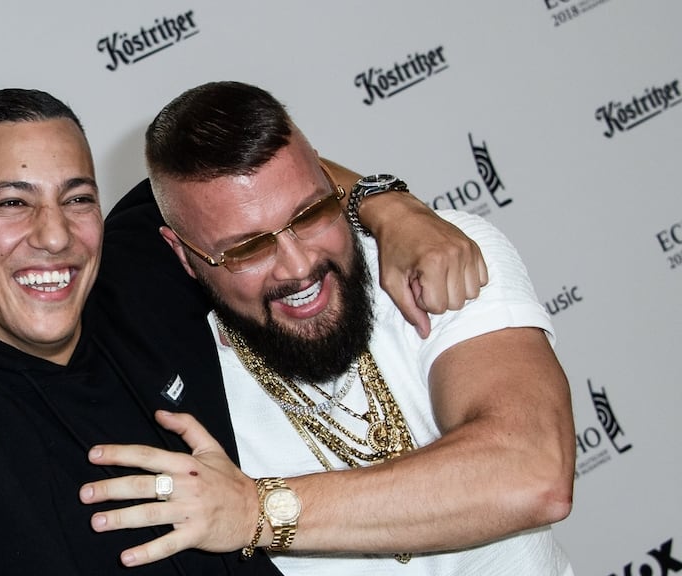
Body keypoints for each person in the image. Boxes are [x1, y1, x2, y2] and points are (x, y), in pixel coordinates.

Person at [0, 1, 488, 574]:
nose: (55, 235)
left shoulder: (135, 276)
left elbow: (256, 189)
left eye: (77, 199)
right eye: (11, 204)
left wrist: (388, 206)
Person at [79, 81, 576, 575]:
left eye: (311, 214)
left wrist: (255, 511)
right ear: (184, 256)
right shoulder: (188, 387)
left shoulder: (438, 259)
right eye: (248, 248)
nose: (297, 266)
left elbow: (531, 471)